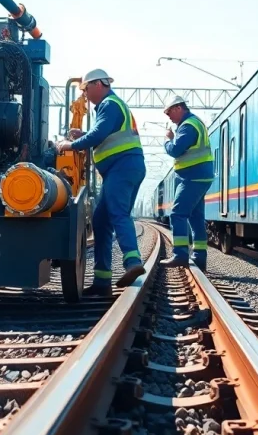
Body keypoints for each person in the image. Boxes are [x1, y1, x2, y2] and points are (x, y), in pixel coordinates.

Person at [56, 69, 146, 297]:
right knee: (101, 221)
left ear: (98, 85)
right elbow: (102, 134)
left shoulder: (110, 104)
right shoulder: (110, 107)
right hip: (123, 168)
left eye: (85, 89)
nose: (85, 95)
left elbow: (98, 136)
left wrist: (68, 145)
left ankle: (132, 261)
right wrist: (83, 133)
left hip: (122, 167)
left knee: (118, 213)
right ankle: (102, 281)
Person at [159, 96, 215, 271]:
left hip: (192, 177)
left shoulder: (188, 126)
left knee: (177, 214)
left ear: (178, 108)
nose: (169, 117)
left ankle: (180, 254)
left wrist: (168, 140)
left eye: (169, 113)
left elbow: (176, 150)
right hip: (199, 176)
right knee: (196, 218)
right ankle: (199, 257)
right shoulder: (196, 123)